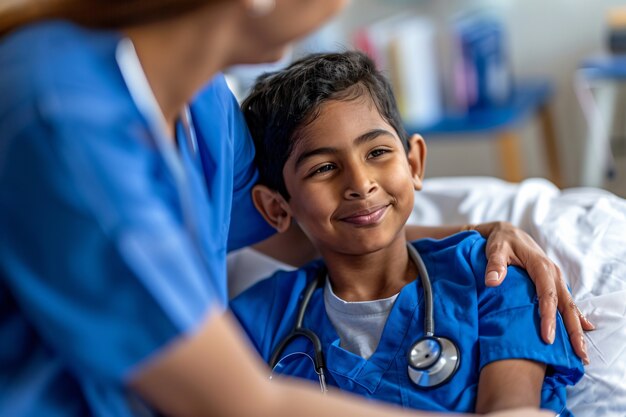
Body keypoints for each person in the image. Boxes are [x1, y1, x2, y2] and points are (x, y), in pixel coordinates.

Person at [0, 1, 588, 416]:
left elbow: (308, 230)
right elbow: (237, 404)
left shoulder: (206, 110)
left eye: (378, 154)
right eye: (327, 166)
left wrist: (480, 232)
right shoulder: (63, 125)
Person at [231, 51, 584, 414]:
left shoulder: (492, 277)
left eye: (377, 152)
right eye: (323, 168)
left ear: (414, 162)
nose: (360, 183)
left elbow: (512, 410)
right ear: (277, 207)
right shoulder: (258, 318)